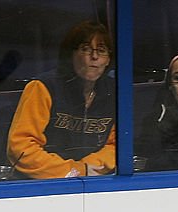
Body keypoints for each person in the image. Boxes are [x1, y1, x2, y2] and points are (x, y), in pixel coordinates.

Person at [6, 20, 116, 179]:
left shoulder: (114, 92)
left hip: (94, 179)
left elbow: (116, 146)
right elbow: (21, 147)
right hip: (43, 183)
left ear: (108, 60)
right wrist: (73, 171)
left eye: (101, 50)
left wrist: (87, 167)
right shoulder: (42, 87)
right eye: (85, 49)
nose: (94, 57)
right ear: (71, 54)